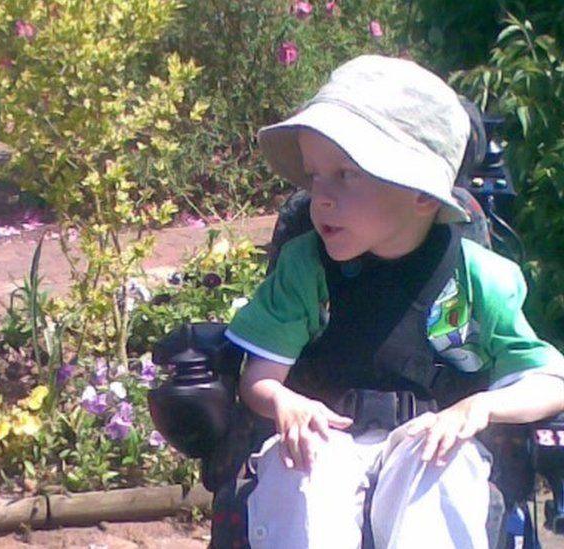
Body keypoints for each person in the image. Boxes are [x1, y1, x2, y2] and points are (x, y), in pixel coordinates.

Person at [225, 55, 564, 548]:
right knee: (300, 473)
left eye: (345, 175)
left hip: (429, 434)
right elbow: (259, 378)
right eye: (315, 175)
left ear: (422, 194)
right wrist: (285, 401)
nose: (320, 197)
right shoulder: (305, 267)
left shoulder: (479, 278)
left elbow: (551, 383)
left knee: (441, 469)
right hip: (329, 436)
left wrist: (482, 407)